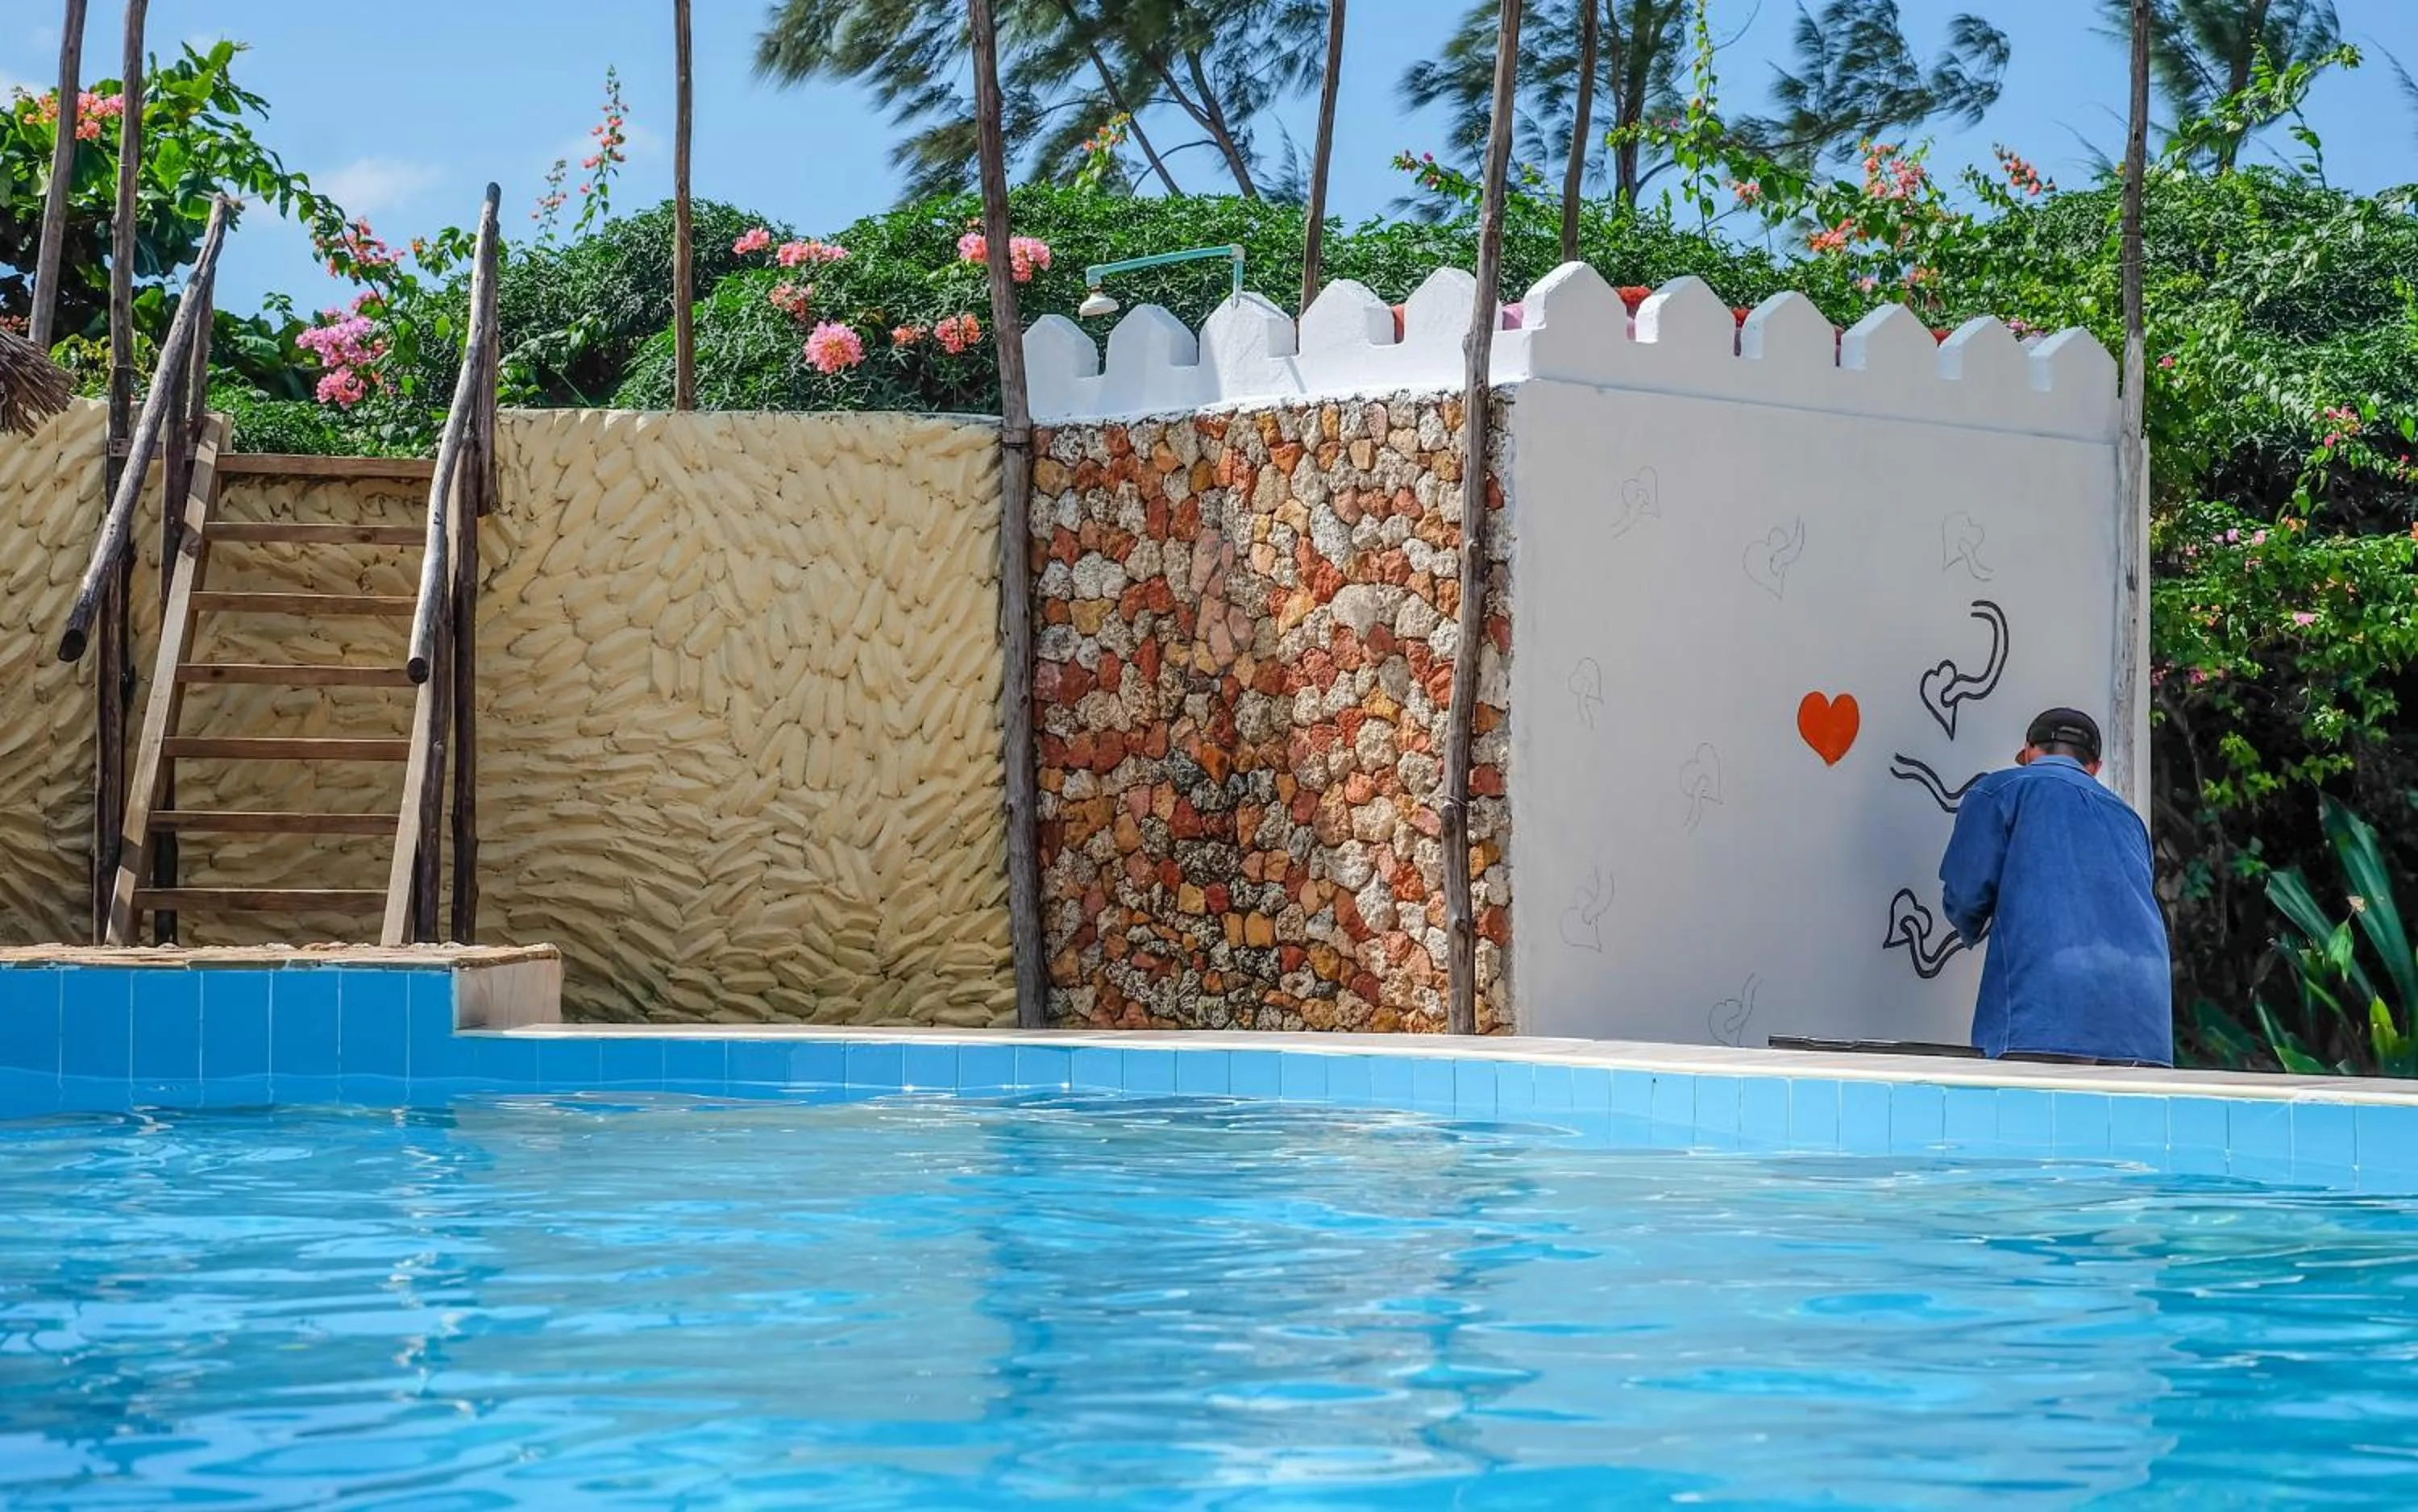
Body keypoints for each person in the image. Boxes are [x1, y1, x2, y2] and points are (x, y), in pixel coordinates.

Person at [1938, 708, 2172, 1066]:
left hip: (2048, 1007)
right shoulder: (2129, 819)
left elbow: (1966, 891)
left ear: (2030, 751)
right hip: (2142, 1016)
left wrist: (1970, 925)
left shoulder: (2000, 791)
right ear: (2095, 767)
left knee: (2027, 1118)